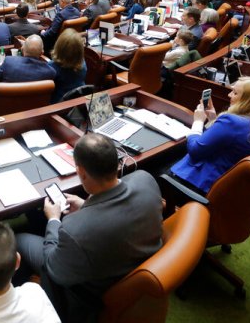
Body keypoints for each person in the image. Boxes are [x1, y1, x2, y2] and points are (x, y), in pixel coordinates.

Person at [16, 133, 163, 323]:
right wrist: (86, 205)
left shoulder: (74, 230)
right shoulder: (145, 179)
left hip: (92, 289)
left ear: (81, 172)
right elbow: (117, 208)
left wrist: (53, 219)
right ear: (117, 163)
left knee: (17, 239)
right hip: (131, 264)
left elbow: (53, 266)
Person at [167, 77, 250, 194]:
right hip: (222, 184)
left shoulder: (231, 122)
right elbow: (229, 140)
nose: (229, 95)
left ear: (248, 100)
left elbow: (194, 150)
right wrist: (213, 119)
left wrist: (198, 122)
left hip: (194, 183)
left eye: (235, 93)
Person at [0, 35, 55, 100]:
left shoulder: (9, 61)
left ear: (22, 49)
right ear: (42, 52)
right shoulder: (51, 72)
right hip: (34, 112)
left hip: (5, 112)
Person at [49, 29, 86, 103]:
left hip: (58, 106)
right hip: (79, 102)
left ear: (59, 46)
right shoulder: (83, 63)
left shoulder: (52, 68)